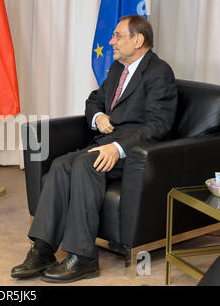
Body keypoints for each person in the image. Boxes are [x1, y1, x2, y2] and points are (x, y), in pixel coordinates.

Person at [11, 15, 178, 283]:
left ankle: (84, 257)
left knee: (84, 165)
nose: (111, 41)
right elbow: (93, 100)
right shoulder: (116, 69)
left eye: (118, 36)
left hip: (136, 153)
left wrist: (119, 147)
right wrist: (98, 116)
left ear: (138, 40)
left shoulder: (160, 72)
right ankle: (43, 249)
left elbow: (160, 125)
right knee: (61, 164)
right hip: (105, 142)